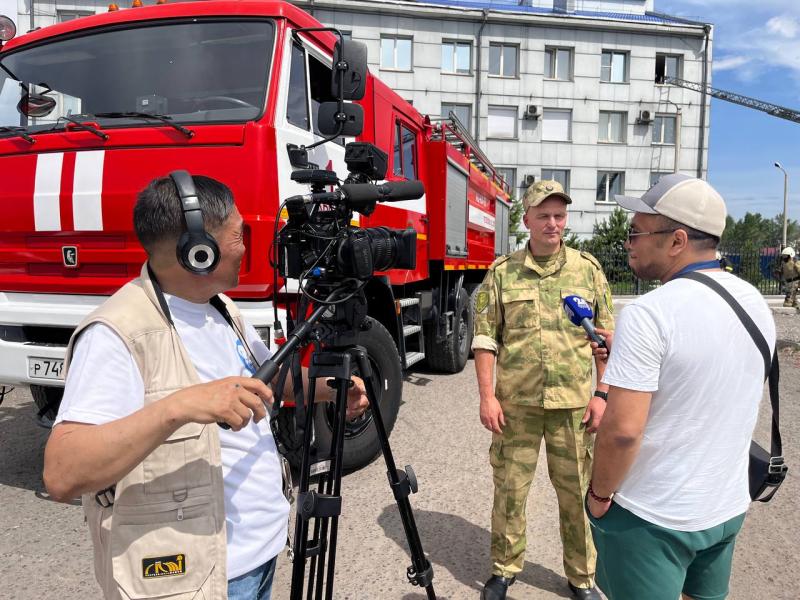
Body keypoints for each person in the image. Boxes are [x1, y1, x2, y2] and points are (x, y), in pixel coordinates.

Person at [43, 173, 368, 600]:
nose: (247, 248)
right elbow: (63, 473)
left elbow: (264, 384)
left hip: (258, 556)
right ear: (198, 250)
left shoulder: (219, 307)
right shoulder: (117, 332)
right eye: (237, 236)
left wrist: (329, 388)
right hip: (199, 580)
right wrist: (179, 406)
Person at [586, 173, 776, 600]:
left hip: (652, 517)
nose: (628, 241)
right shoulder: (752, 301)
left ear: (677, 240)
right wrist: (633, 356)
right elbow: (712, 370)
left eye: (637, 231)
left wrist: (598, 496)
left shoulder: (649, 313)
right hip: (724, 508)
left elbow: (622, 432)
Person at [472, 180, 614, 600]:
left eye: (559, 216)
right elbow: (485, 339)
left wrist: (602, 393)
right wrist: (487, 396)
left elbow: (606, 342)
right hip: (516, 406)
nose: (553, 224)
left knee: (576, 495)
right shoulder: (503, 272)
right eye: (544, 216)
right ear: (527, 220)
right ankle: (503, 569)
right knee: (510, 492)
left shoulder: (588, 270)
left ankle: (582, 577)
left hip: (573, 406)